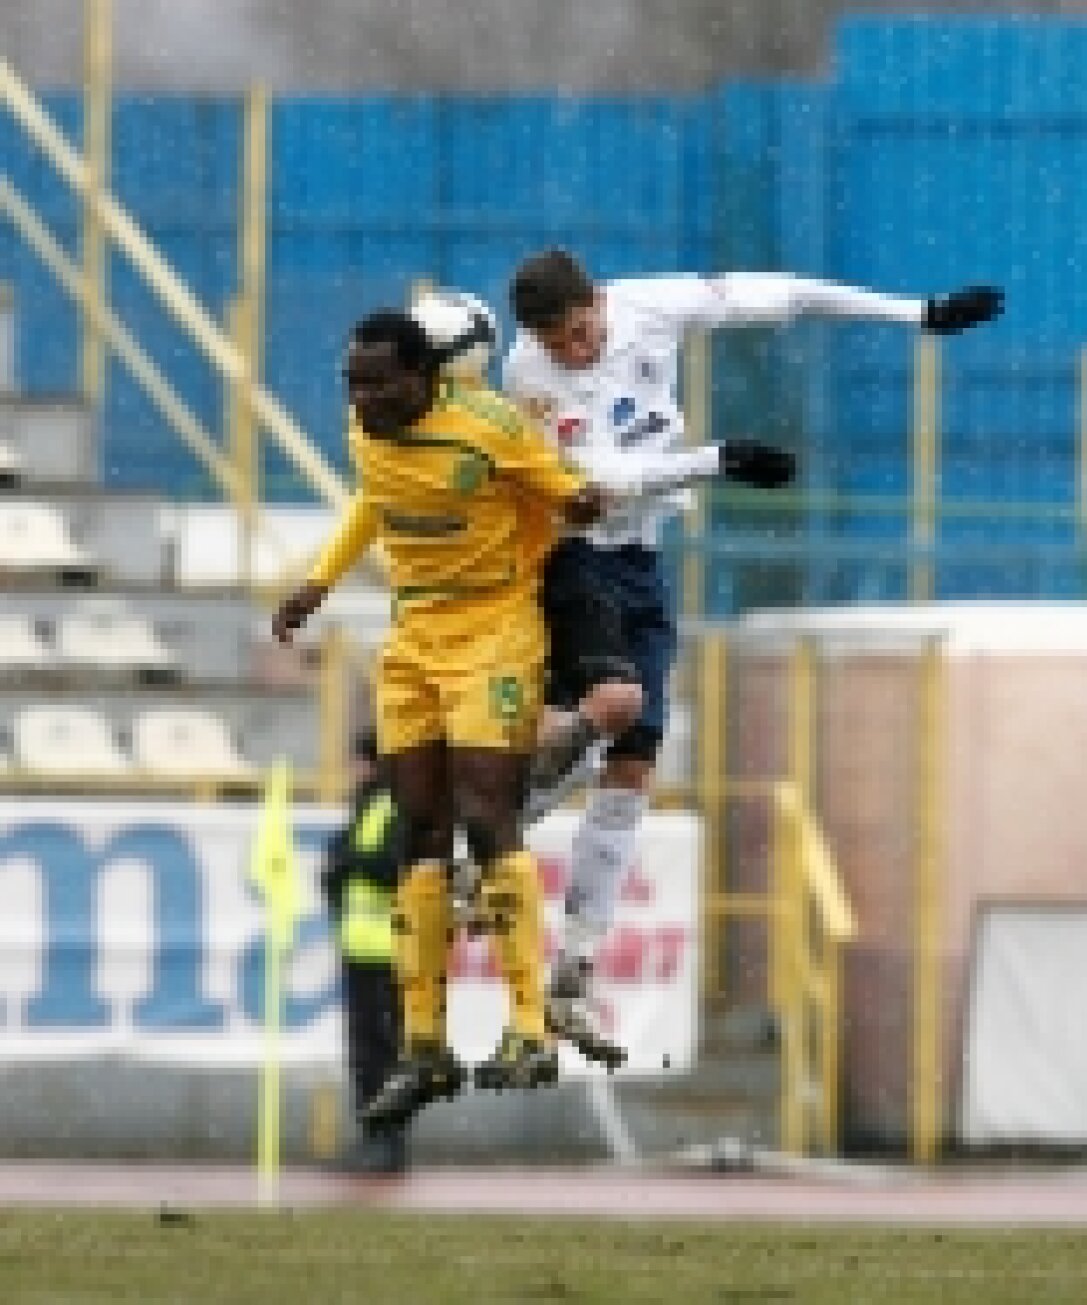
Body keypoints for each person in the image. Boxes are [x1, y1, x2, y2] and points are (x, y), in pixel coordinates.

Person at [502, 249, 1004, 1065]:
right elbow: (596, 480)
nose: (574, 353)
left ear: (599, 300)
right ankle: (486, 838)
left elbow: (789, 294)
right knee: (607, 709)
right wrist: (718, 459)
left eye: (581, 334)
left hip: (639, 564)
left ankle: (573, 968)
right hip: (573, 555)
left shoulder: (650, 305)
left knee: (631, 765)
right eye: (559, 344)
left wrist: (917, 311)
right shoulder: (527, 371)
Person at [273, 306, 625, 1130]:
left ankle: (529, 1027)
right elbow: (375, 498)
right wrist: (319, 580)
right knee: (418, 832)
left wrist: (584, 500)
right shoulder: (371, 430)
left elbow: (569, 494)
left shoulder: (490, 428)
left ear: (427, 376)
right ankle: (425, 1047)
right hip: (412, 637)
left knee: (486, 815)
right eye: (352, 382)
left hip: (495, 632)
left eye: (378, 381)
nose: (361, 397)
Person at [320, 727, 409, 1172]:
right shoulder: (368, 806)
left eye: (359, 760)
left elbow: (394, 867)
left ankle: (389, 1142)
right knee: (365, 1051)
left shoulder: (398, 806)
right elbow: (344, 870)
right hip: (361, 948)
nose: (353, 769)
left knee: (383, 1050)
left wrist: (349, 860)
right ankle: (373, 1137)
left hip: (391, 951)